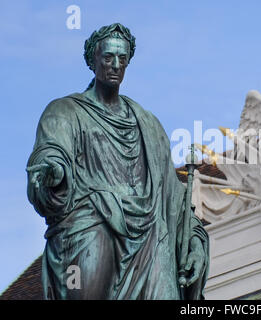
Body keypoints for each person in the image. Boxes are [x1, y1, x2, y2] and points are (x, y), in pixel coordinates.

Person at [26, 23, 209, 300]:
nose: (115, 65)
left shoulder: (148, 124)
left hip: (150, 240)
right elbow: (52, 154)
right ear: (92, 59)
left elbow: (173, 199)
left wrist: (194, 241)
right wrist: (53, 174)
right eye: (108, 57)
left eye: (122, 59)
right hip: (93, 227)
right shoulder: (64, 112)